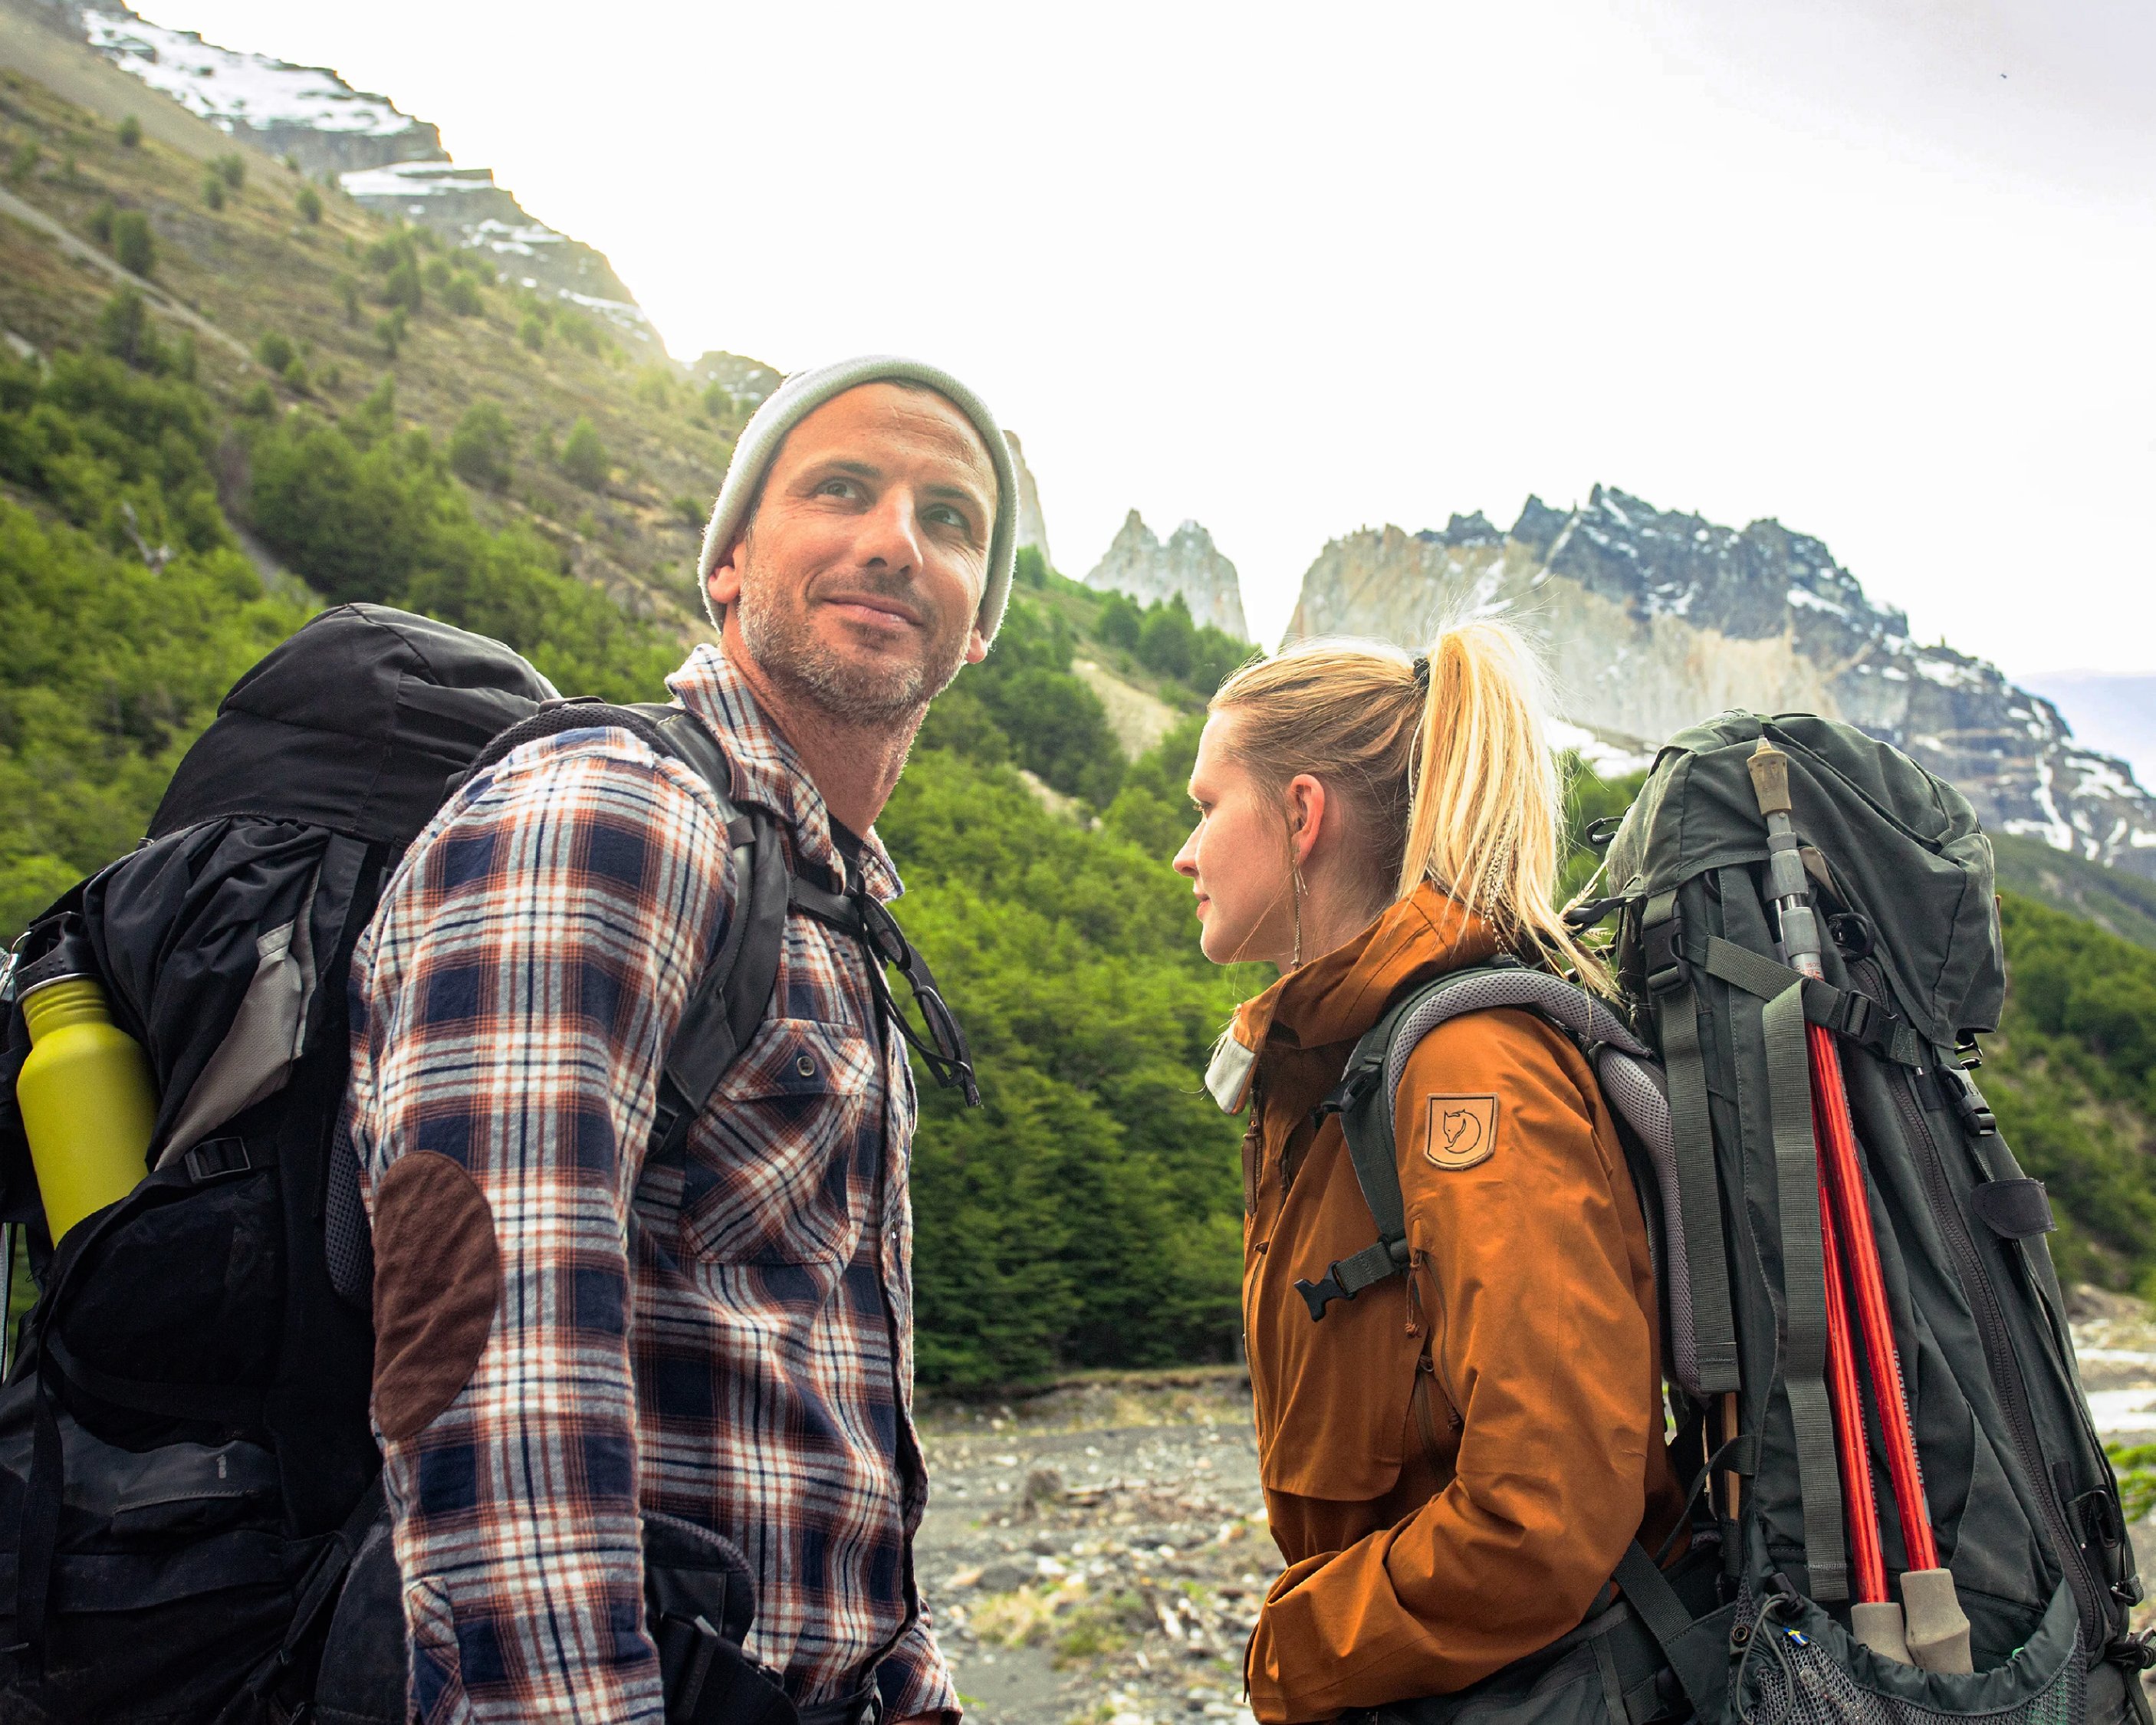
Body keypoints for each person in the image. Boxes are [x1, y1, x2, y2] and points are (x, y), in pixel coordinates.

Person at [340, 356, 1018, 1724]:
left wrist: (913, 1683)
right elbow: (491, 1370)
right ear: (728, 564)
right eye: (842, 488)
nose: (897, 538)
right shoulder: (612, 813)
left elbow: (823, 1387)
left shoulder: (829, 908)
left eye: (951, 520)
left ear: (980, 626)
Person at [1172, 623, 1686, 1723]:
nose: (1186, 849)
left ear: (1302, 815)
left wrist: (1293, 1651)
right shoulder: (1331, 1071)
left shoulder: (1471, 1067)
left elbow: (1543, 1515)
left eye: (1207, 804)